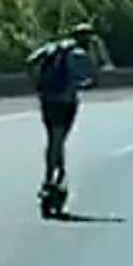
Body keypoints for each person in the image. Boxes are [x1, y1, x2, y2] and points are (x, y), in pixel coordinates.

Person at [26, 22, 99, 201]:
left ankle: (55, 174)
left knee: (53, 138)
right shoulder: (79, 54)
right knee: (58, 140)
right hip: (65, 101)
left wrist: (38, 84)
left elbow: (30, 61)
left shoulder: (52, 48)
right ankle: (52, 176)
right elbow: (89, 77)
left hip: (47, 99)